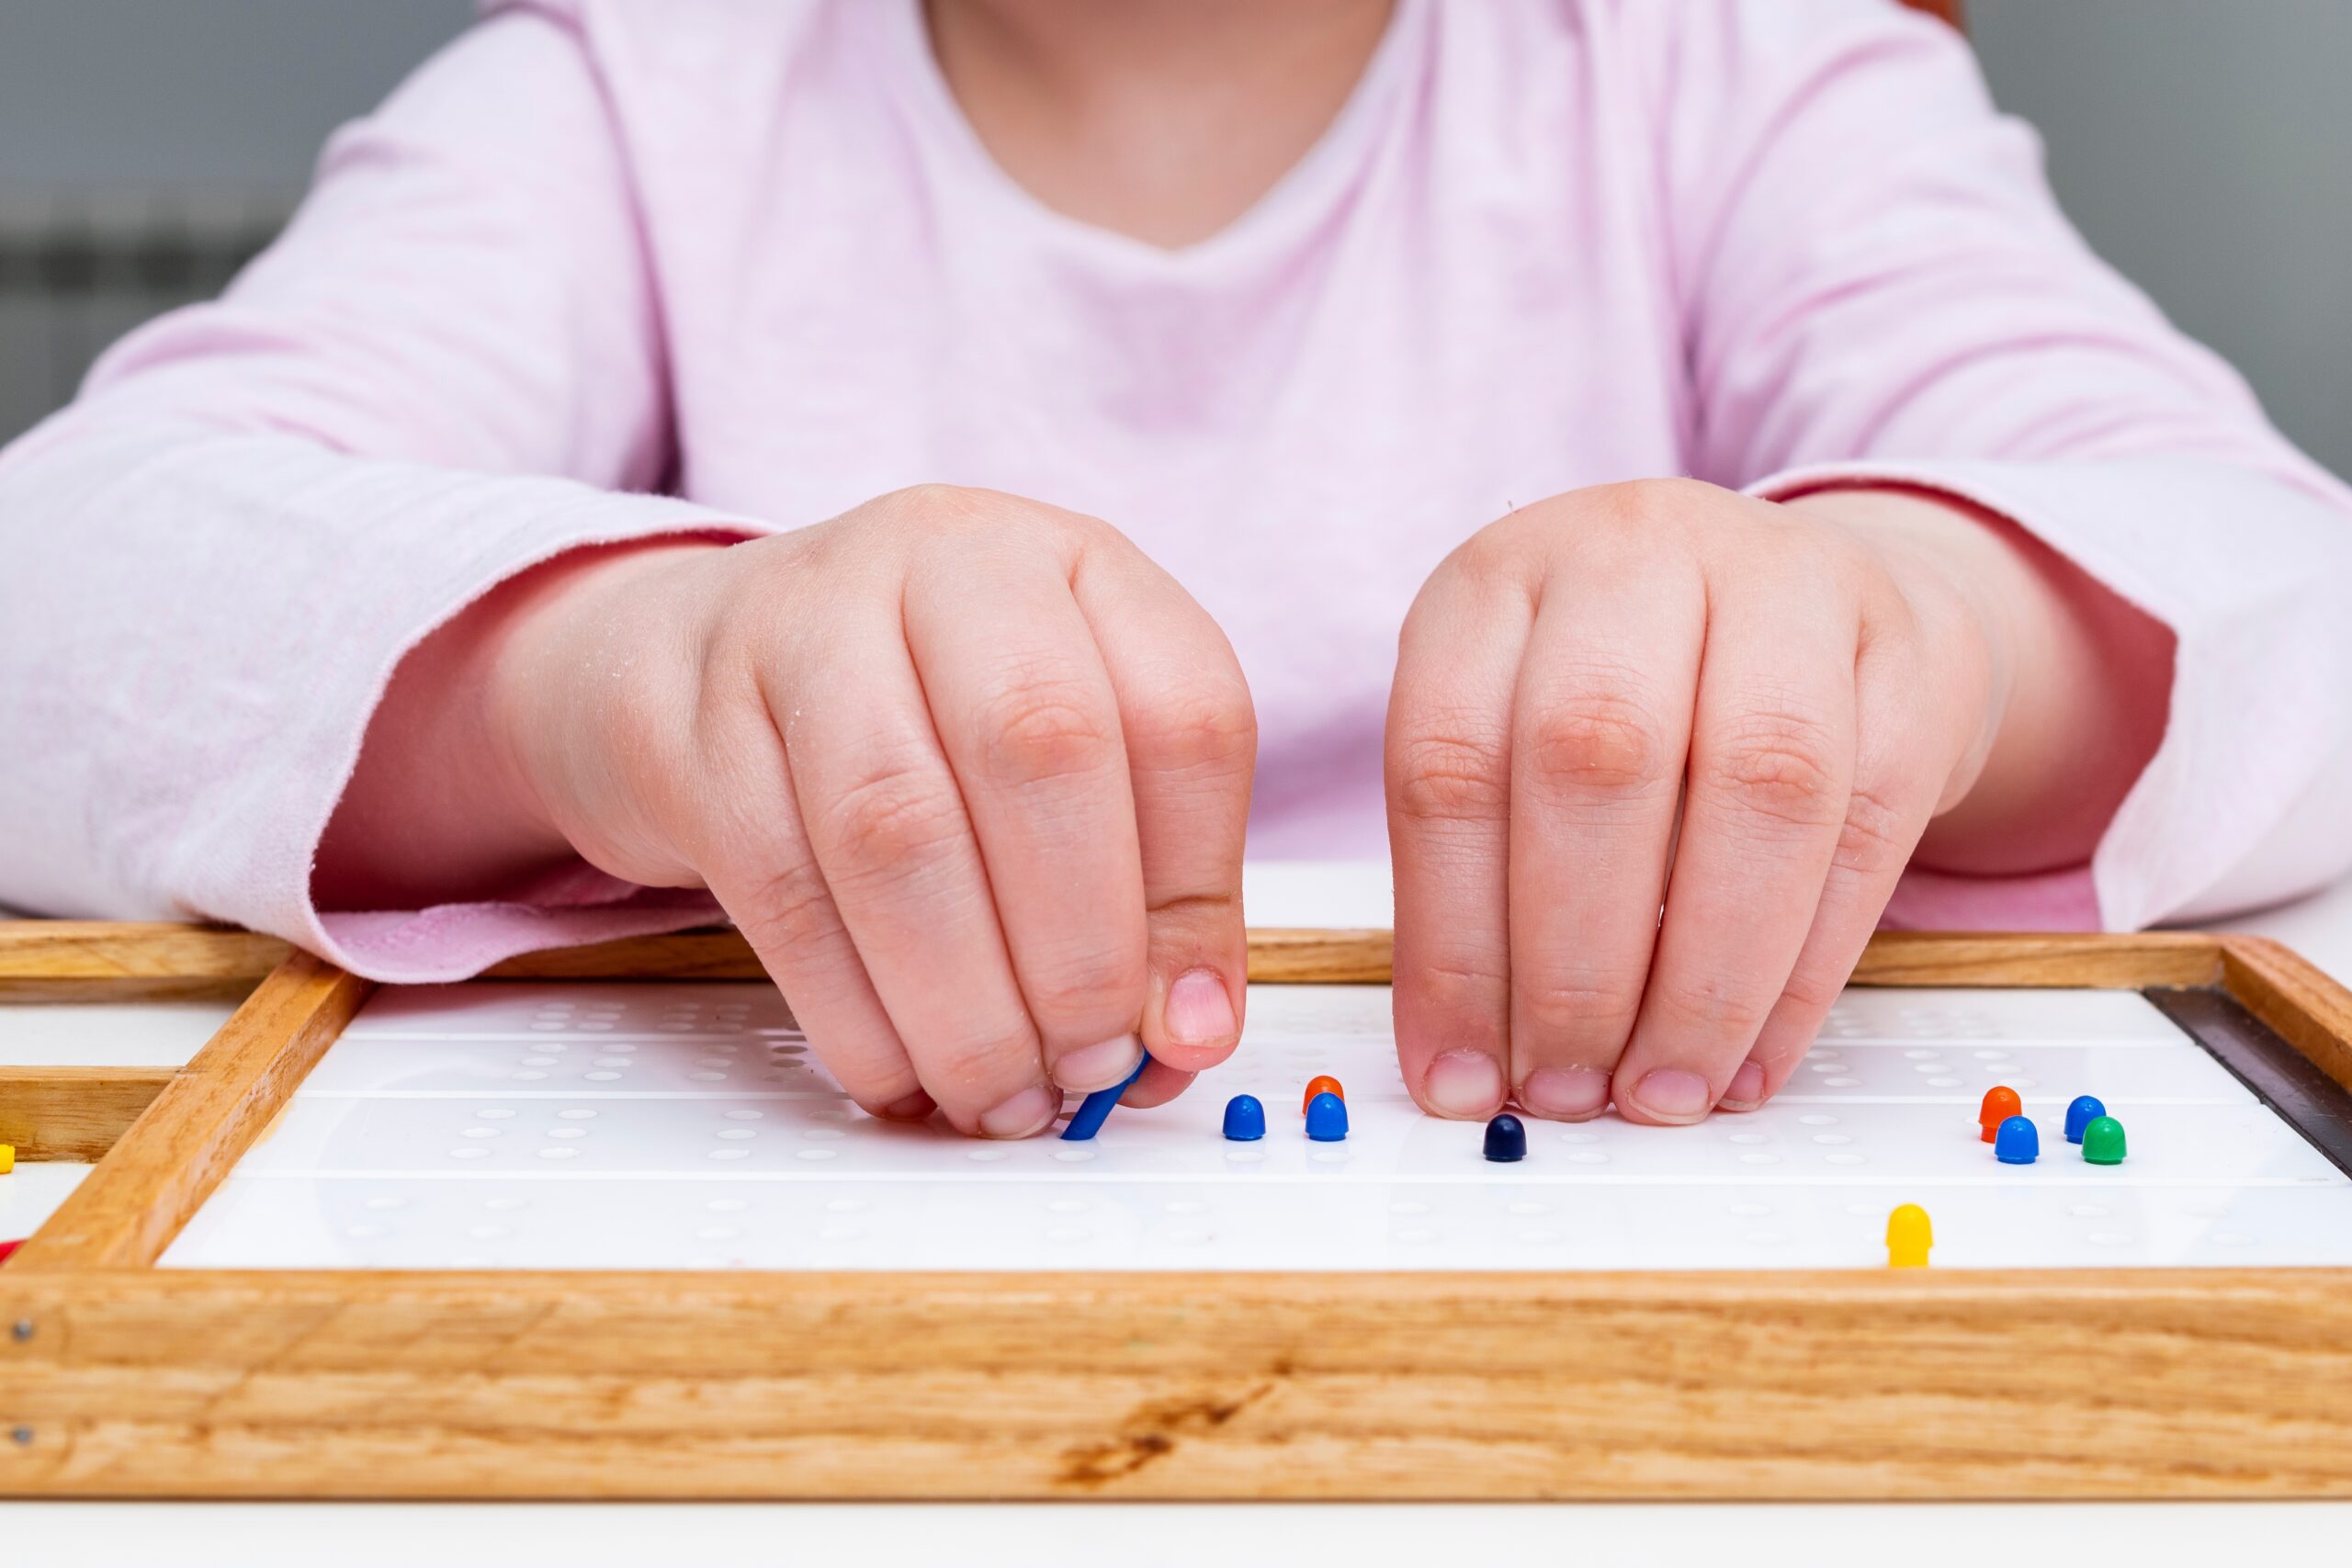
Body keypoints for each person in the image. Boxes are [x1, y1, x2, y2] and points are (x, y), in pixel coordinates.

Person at [3, 0, 2346, 1139]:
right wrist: (619, 666)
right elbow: (66, 589)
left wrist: (1912, 622)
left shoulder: (1736, 67)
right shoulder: (629, 86)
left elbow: (2281, 602)